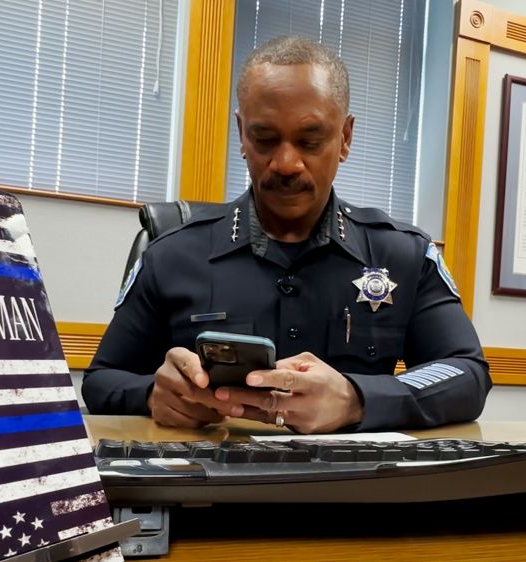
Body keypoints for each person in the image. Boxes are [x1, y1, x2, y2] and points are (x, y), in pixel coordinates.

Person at [81, 35, 490, 433]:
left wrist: (356, 398)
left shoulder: (401, 255)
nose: (286, 163)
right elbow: (102, 380)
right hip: (215, 476)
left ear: (345, 138)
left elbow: (468, 374)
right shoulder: (171, 255)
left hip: (353, 477)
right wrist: (154, 394)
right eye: (265, 139)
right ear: (242, 134)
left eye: (310, 141)